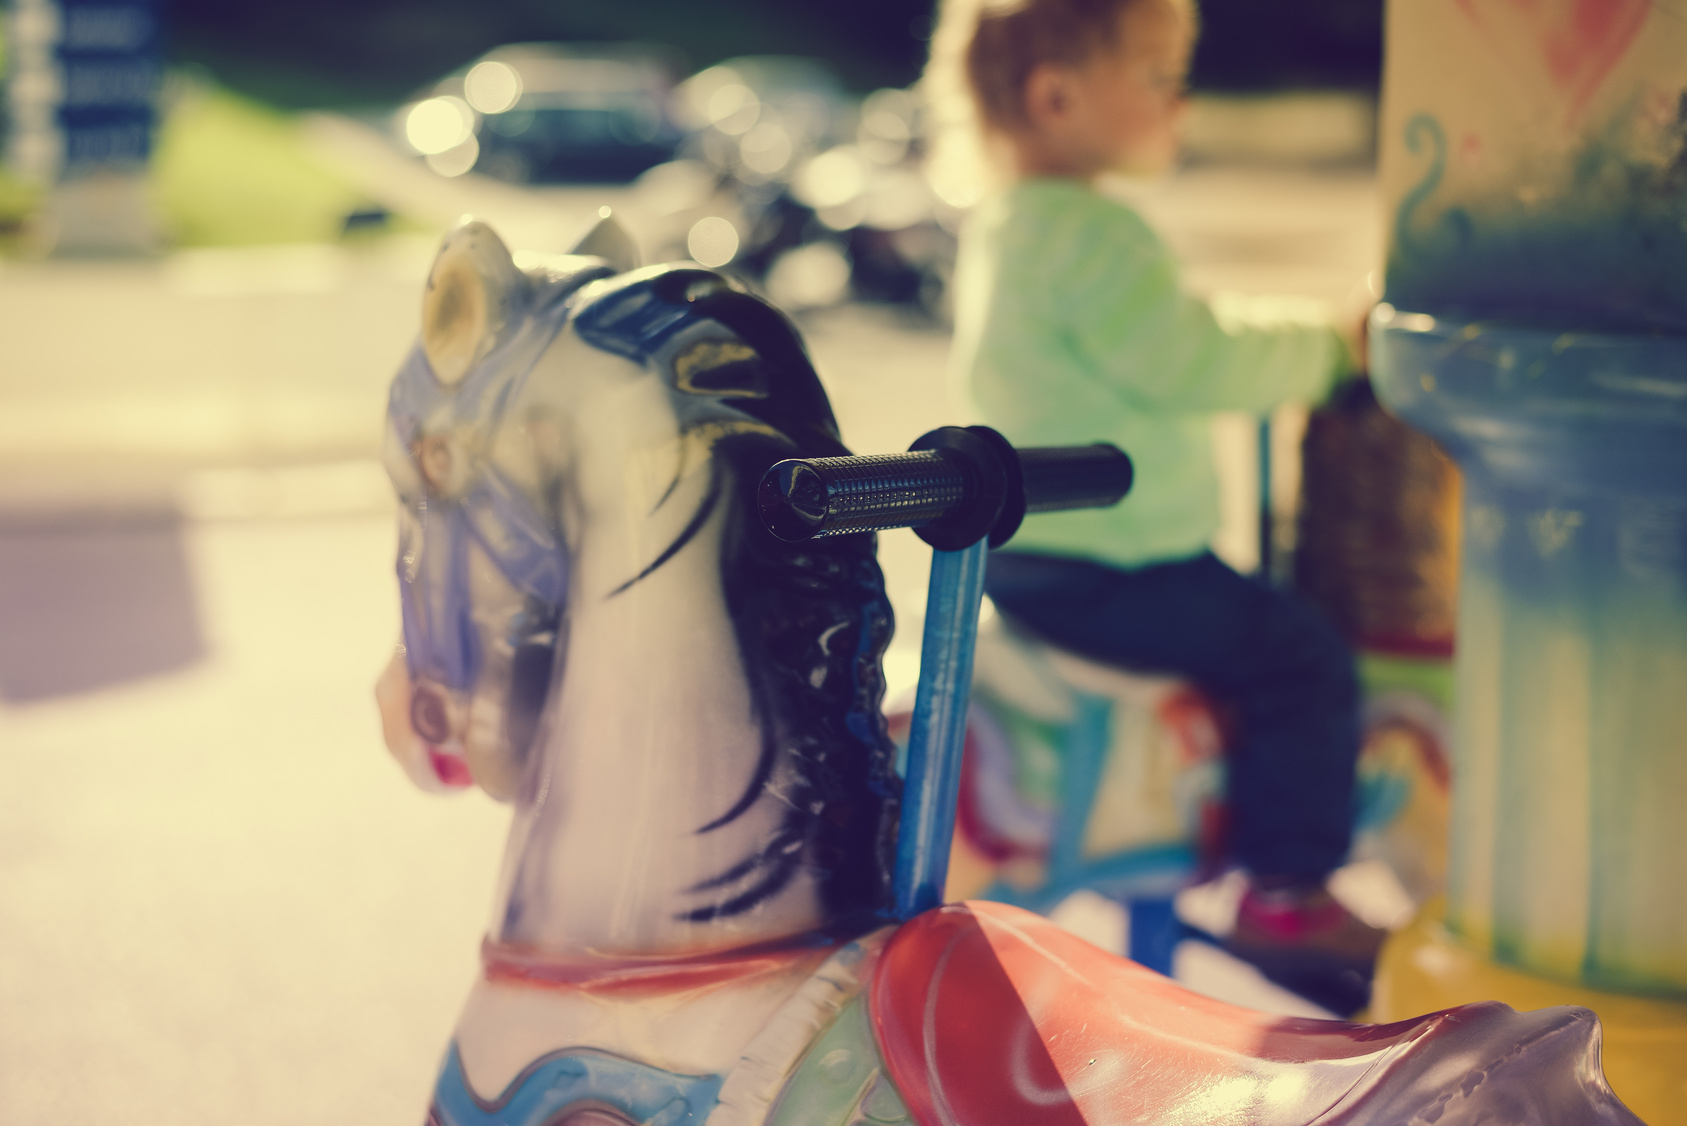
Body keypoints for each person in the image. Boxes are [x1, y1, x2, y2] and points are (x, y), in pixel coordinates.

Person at [926, 0, 1384, 977]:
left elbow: (1174, 336)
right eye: (1160, 76)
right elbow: (1191, 362)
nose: (1181, 102)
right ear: (1056, 97)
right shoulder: (1094, 234)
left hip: (1029, 561)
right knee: (1299, 655)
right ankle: (1285, 892)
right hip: (1116, 570)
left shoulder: (1012, 225)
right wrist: (1325, 349)